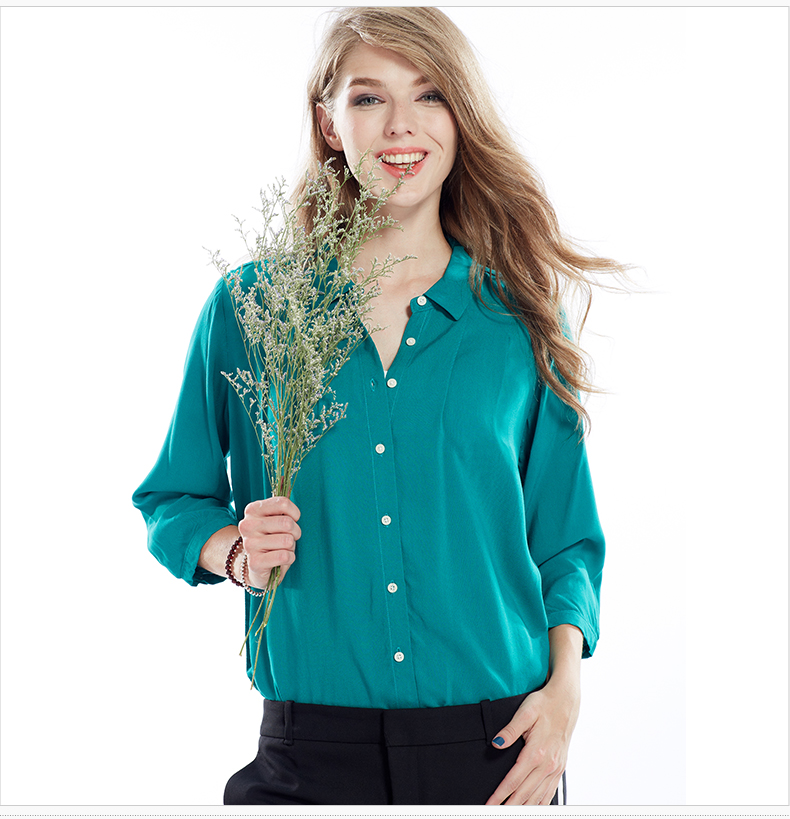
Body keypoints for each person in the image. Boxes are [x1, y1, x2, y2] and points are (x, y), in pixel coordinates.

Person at [133, 6, 626, 806]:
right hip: (307, 754)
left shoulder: (519, 318)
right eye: (369, 98)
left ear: (459, 117)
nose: (401, 124)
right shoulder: (254, 308)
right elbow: (172, 498)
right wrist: (235, 552)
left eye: (429, 95)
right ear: (329, 123)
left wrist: (565, 696)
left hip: (498, 751)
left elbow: (566, 542)